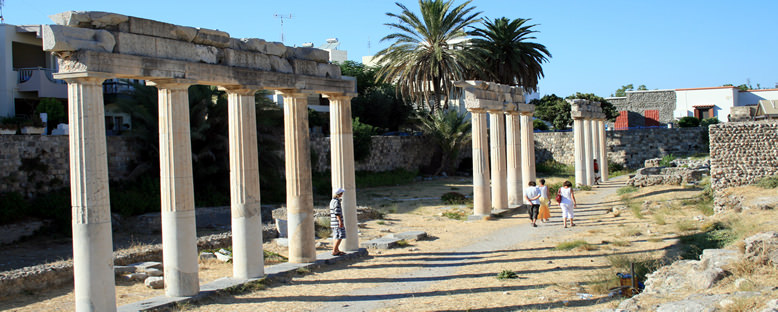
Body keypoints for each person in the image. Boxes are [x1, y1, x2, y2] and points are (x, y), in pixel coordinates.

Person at [330, 187, 346, 256]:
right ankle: (334, 250)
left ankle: (337, 249)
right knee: (340, 235)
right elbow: (337, 212)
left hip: (333, 222)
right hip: (336, 222)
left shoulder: (332, 201)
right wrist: (340, 221)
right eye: (341, 193)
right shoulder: (336, 201)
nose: (342, 194)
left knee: (337, 235)